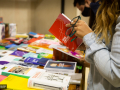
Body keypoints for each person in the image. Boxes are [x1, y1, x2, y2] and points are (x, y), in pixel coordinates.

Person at [66, 0, 120, 89]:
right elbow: (107, 48)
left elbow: (116, 75)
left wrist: (89, 38)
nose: (90, 4)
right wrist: (85, 42)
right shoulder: (109, 12)